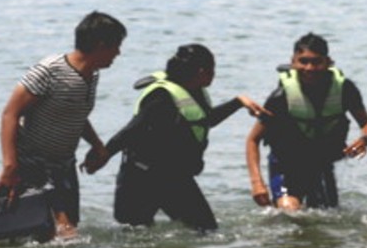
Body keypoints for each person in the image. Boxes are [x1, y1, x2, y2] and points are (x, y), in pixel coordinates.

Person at [94, 44, 266, 232]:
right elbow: (131, 131)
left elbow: (204, 120)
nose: (214, 75)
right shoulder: (162, 97)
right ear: (202, 72)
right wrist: (104, 154)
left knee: (206, 230)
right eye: (212, 70)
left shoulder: (194, 90)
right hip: (140, 179)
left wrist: (238, 102)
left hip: (174, 178)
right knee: (134, 236)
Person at [0, 11, 127, 239]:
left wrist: (97, 145)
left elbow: (75, 113)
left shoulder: (91, 75)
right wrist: (10, 166)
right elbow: (10, 114)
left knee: (60, 231)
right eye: (116, 46)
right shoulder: (50, 70)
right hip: (33, 162)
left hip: (64, 165)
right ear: (100, 45)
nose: (118, 53)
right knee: (65, 232)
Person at [246, 33, 367, 211]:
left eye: (316, 62)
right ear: (293, 62)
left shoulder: (345, 89)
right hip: (286, 163)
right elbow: (253, 140)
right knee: (289, 209)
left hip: (321, 162)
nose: (309, 68)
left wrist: (365, 140)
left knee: (328, 217)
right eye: (303, 61)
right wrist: (257, 183)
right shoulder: (281, 97)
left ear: (328, 62)